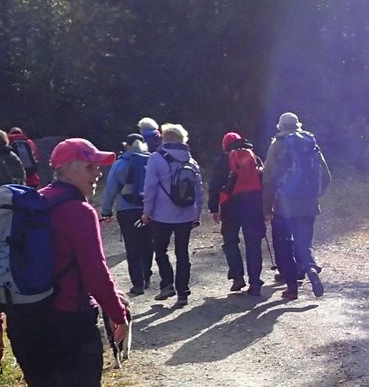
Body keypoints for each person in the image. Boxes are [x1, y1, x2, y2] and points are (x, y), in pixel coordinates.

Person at [4, 137, 130, 387]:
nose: (98, 175)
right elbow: (96, 272)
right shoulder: (78, 211)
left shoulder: (27, 205)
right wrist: (118, 314)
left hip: (25, 325)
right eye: (91, 167)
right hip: (70, 327)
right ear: (69, 168)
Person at [261, 112, 331, 301]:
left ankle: (292, 288)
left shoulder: (278, 144)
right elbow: (326, 175)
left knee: (283, 244)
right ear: (298, 125)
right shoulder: (310, 143)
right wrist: (314, 194)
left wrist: (266, 207)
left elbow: (269, 178)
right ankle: (310, 267)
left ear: (280, 127)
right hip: (309, 204)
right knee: (304, 242)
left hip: (285, 204)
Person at [140, 123, 202, 307]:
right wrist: (197, 214)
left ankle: (167, 284)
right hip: (186, 215)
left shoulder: (156, 158)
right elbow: (198, 191)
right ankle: (183, 292)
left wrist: (146, 211)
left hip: (162, 215)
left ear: (164, 138)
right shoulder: (191, 160)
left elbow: (150, 187)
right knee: (182, 253)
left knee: (160, 250)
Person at [98, 133, 167, 295]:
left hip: (127, 210)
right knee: (147, 243)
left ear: (126, 145)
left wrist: (106, 211)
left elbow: (111, 189)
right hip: (150, 209)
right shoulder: (153, 161)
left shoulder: (120, 163)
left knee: (132, 246)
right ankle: (147, 276)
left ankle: (138, 283)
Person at [207, 131, 265, 295]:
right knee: (253, 245)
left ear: (225, 145)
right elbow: (263, 181)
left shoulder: (222, 161)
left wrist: (213, 208)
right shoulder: (254, 157)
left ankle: (237, 276)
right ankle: (255, 283)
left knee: (230, 242)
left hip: (230, 207)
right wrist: (266, 206)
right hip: (253, 206)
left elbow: (214, 186)